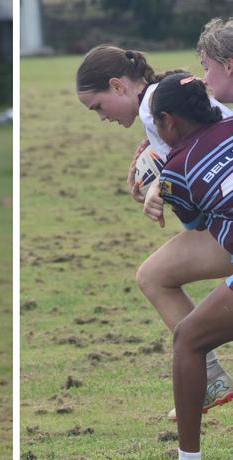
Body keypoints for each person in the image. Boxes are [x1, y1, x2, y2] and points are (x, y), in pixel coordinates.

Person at [76, 45, 233, 421]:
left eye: (98, 107)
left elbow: (192, 197)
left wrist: (158, 187)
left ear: (118, 86)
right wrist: (159, 182)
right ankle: (208, 375)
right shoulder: (161, 103)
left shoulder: (152, 112)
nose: (101, 118)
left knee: (154, 277)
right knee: (154, 275)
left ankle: (205, 373)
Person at [139, 72, 233, 460]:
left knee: (189, 339)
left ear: (169, 121)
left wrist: (157, 184)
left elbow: (196, 223)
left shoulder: (177, 170)